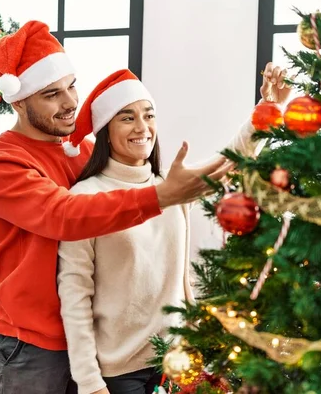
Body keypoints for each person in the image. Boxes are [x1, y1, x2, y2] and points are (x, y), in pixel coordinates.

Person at [0, 20, 232, 394]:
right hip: (31, 345)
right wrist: (161, 197)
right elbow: (65, 215)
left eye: (72, 86)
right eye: (51, 94)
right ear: (18, 99)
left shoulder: (85, 152)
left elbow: (134, 194)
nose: (70, 103)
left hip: (95, 345)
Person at [57, 63, 291, 394]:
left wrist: (270, 108)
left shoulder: (169, 185)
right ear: (105, 130)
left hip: (179, 363)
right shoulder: (85, 197)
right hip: (119, 374)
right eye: (127, 117)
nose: (143, 127)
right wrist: (90, 382)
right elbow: (74, 297)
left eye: (149, 115)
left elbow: (229, 163)